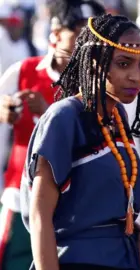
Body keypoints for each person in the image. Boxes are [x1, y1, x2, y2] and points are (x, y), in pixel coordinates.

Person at [19, 14, 140, 270]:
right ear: (94, 63)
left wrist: (135, 231)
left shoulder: (117, 118)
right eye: (124, 64)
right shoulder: (65, 116)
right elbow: (40, 216)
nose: (136, 76)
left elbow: (97, 202)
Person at [0, 1, 105, 269]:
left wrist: (49, 114)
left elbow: (101, 143)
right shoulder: (24, 71)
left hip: (79, 208)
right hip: (21, 197)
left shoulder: (101, 82)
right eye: (81, 34)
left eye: (96, 37)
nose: (89, 44)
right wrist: (4, 111)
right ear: (55, 33)